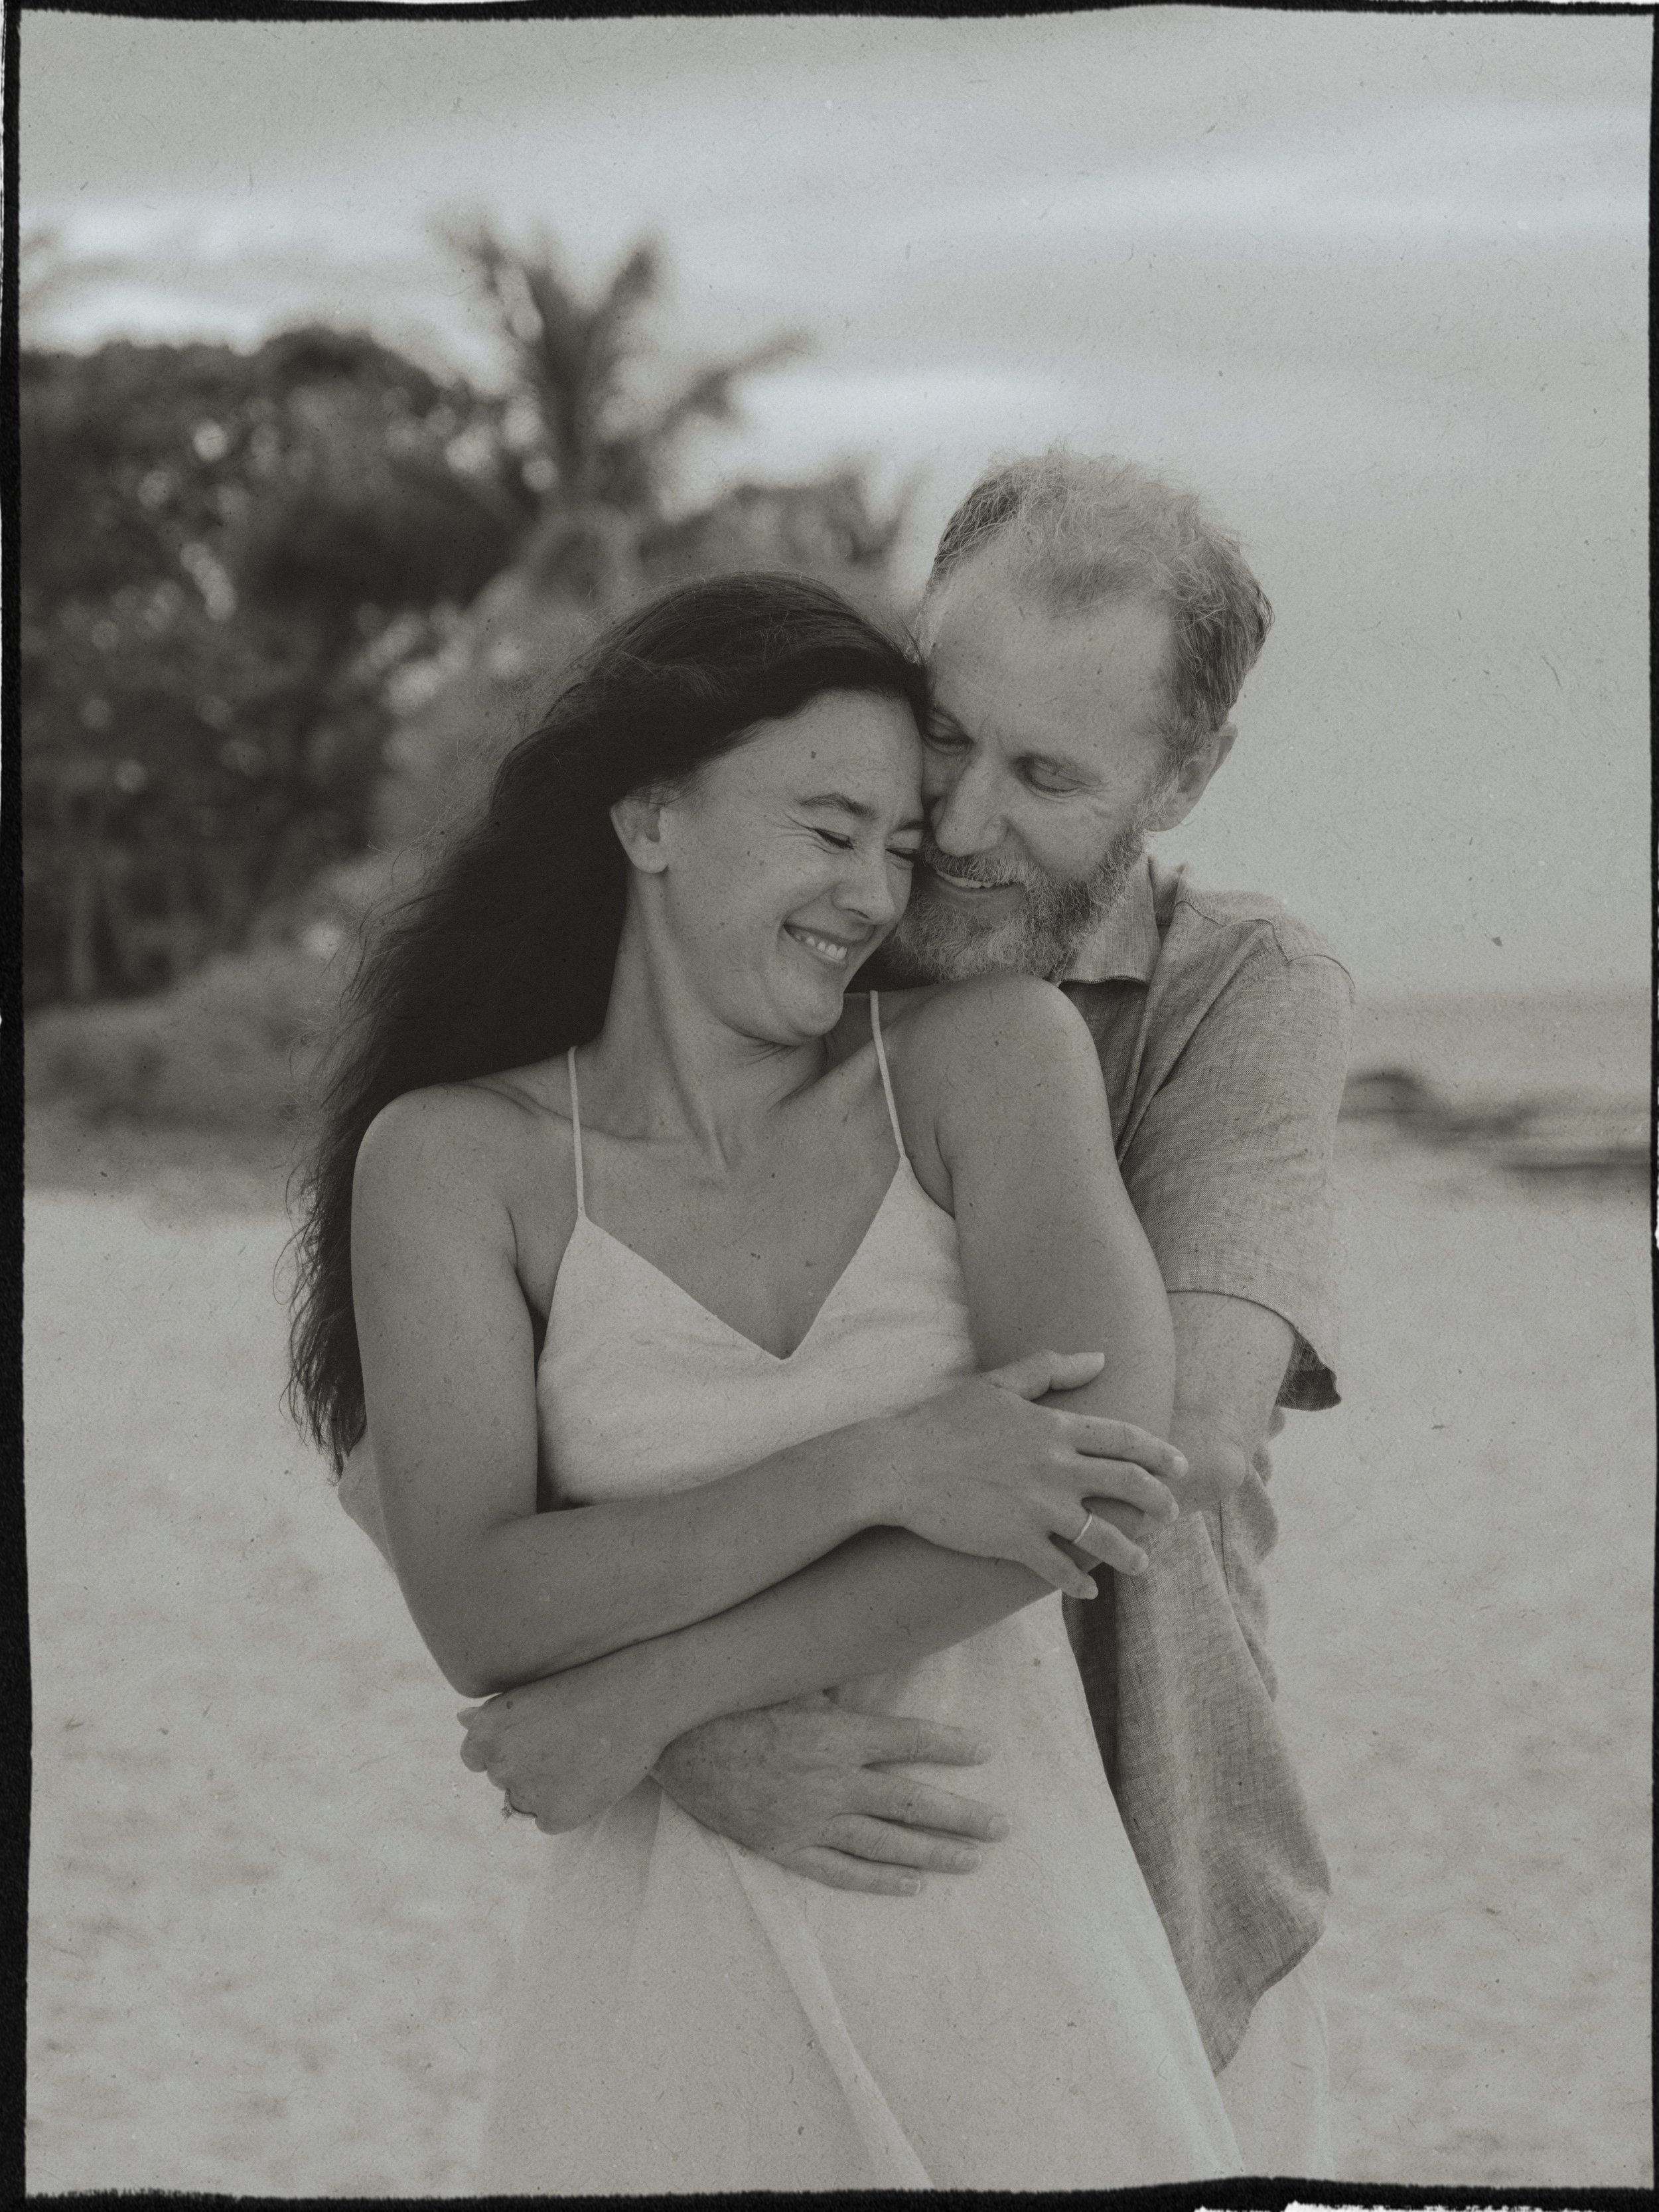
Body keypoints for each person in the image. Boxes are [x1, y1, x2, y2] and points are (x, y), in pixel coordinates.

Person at [451, 453, 1354, 2176]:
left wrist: (666, 1697)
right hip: (779, 1849)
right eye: (944, 730)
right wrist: (687, 1735)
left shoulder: (1241, 994)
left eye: (1049, 774)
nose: (954, 820)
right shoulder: (778, 934)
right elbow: (455, 1365)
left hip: (1157, 1858)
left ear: (1183, 775)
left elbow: (1160, 1440)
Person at [293, 572, 1243, 2190]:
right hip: (666, 1951)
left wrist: (654, 1694)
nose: (876, 888)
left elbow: (1098, 1477)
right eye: (827, 827)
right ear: (651, 813)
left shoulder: (984, 1056)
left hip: (1001, 1933)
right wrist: (874, 1463)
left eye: (896, 841)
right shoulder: (456, 1162)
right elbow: (480, 1602)